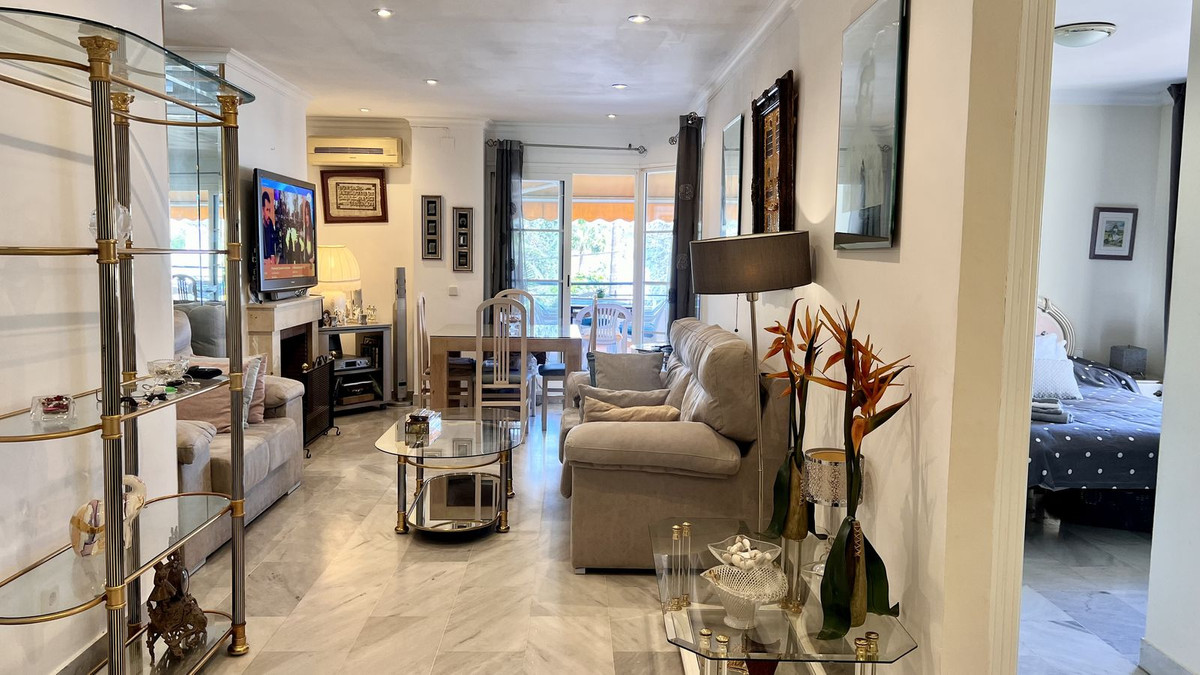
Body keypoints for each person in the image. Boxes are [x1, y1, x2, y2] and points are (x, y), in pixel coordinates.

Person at [261, 189, 277, 264]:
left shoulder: (269, 222)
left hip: (269, 263)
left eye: (270, 210)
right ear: (262, 210)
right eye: (267, 210)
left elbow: (273, 240)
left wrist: (272, 255)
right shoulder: (260, 225)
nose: (269, 214)